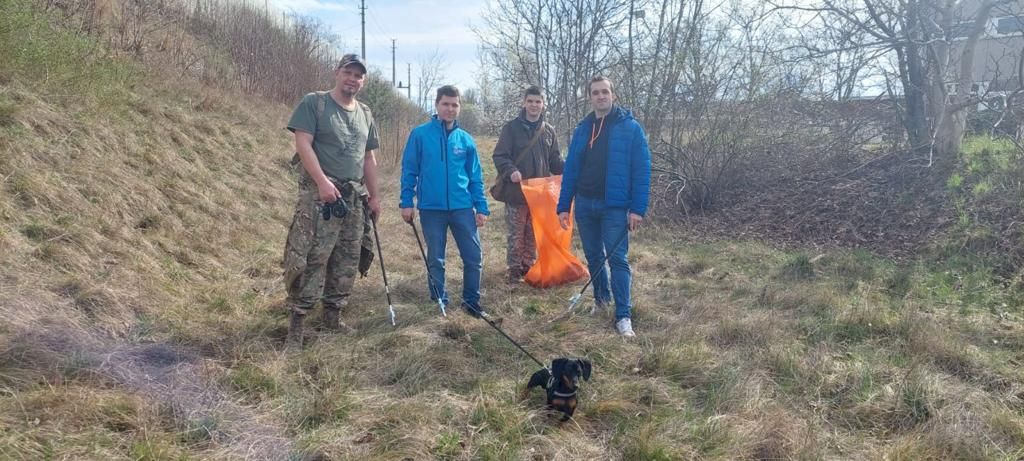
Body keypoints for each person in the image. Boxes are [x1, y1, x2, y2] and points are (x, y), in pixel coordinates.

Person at [282, 53, 382, 349]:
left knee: (347, 257)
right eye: (348, 72)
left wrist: (375, 196)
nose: (353, 79)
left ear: (363, 81)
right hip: (321, 199)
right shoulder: (315, 103)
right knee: (312, 257)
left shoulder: (365, 113)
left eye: (358, 75)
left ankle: (332, 317)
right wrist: (322, 182)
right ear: (337, 73)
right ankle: (296, 327)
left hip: (353, 199)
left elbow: (368, 157)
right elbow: (303, 143)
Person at [556, 76, 650, 337]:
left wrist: (637, 209)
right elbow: (571, 169)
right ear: (590, 98)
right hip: (585, 204)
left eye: (605, 92)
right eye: (595, 93)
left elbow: (642, 170)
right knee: (594, 257)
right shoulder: (582, 129)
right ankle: (601, 300)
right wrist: (564, 205)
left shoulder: (630, 128)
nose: (600, 96)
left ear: (613, 95)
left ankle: (623, 316)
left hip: (615, 207)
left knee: (618, 259)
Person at [400, 85, 494, 319]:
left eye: (454, 105)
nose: (450, 109)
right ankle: (439, 301)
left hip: (463, 208)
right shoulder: (420, 135)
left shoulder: (466, 140)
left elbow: (475, 177)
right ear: (437, 105)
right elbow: (409, 170)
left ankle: (471, 302)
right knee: (436, 258)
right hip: (431, 209)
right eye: (445, 104)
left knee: (473, 257)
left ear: (459, 107)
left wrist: (481, 207)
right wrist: (406, 201)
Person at [491, 85, 564, 283]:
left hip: (539, 194)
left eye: (538, 101)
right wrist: (511, 171)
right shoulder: (511, 128)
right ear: (523, 103)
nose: (534, 105)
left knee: (533, 232)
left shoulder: (549, 131)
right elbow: (500, 155)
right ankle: (514, 271)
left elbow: (555, 161)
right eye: (530, 101)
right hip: (516, 192)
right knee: (516, 234)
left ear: (543, 104)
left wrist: (569, 170)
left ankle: (528, 267)